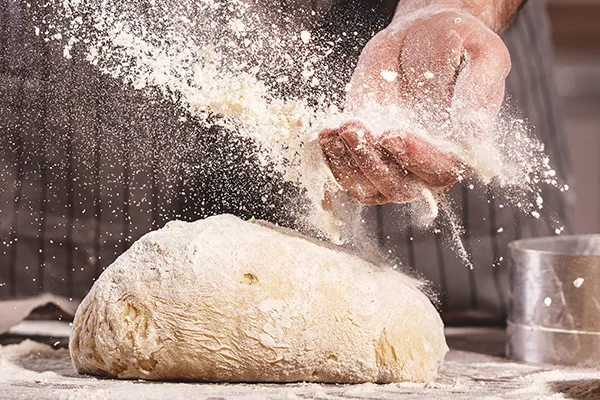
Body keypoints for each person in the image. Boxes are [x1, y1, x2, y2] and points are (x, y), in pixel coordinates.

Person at [0, 0, 571, 330]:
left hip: (411, 58)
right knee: (82, 335)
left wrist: (451, 7)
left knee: (435, 350)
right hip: (84, 103)